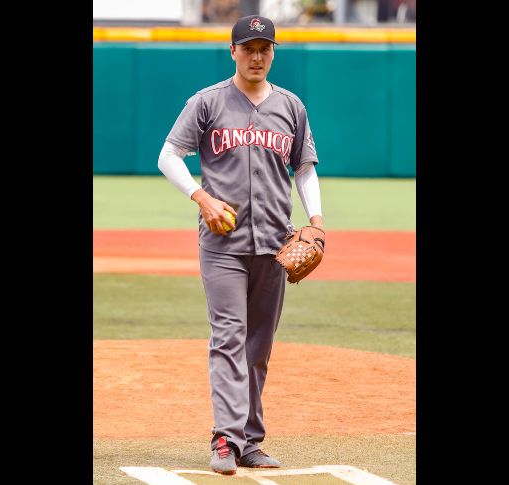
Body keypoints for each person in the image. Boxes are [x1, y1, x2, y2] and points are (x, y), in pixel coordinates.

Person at [157, 14, 324, 476]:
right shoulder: (208, 102)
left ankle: (249, 439)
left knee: (259, 345)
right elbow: (168, 154)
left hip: (274, 241)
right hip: (222, 244)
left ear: (273, 53)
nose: (256, 56)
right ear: (232, 51)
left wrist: (316, 220)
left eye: (264, 48)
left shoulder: (291, 106)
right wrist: (201, 196)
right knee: (229, 336)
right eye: (248, 48)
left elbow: (304, 167)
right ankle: (225, 438)